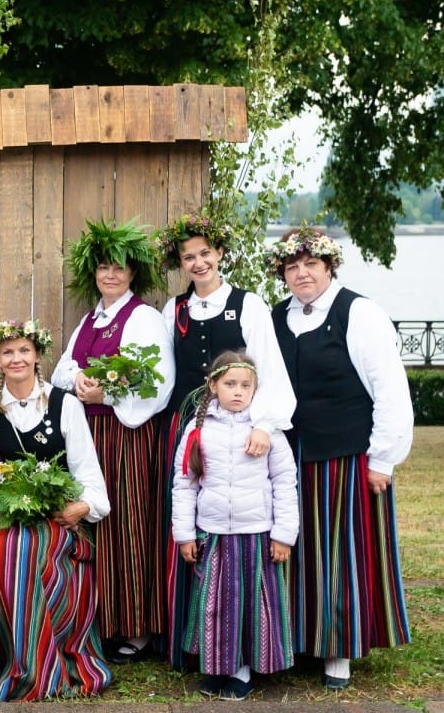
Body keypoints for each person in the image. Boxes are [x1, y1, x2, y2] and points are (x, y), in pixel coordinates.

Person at [268, 226, 413, 690]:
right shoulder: (275, 318)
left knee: (339, 551)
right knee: (294, 548)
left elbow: (390, 389)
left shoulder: (359, 313)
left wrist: (383, 458)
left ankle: (339, 650)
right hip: (290, 454)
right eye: (293, 267)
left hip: (345, 455)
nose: (302, 273)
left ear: (329, 266)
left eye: (311, 264)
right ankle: (300, 639)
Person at [154, 212, 295, 667]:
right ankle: (189, 639)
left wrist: (265, 425)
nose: (198, 263)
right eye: (188, 257)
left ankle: (239, 643)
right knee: (189, 520)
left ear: (219, 254)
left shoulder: (247, 304)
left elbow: (269, 369)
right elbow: (162, 374)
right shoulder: (172, 310)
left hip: (242, 429)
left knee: (233, 533)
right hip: (189, 427)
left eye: (205, 254)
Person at [51, 220, 174, 663]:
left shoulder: (143, 317)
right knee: (95, 524)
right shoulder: (90, 319)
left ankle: (137, 627)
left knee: (128, 522)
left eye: (118, 268)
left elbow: (158, 383)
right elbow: (61, 370)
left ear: (131, 274)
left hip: (128, 436)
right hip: (90, 434)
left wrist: (109, 393)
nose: (110, 275)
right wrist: (80, 378)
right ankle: (100, 620)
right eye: (103, 267)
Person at [0, 320, 112, 699]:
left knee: (33, 550)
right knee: (11, 548)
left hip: (57, 515)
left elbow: (86, 468)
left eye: (24, 350)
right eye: (8, 352)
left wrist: (82, 507)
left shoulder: (64, 404)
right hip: (6, 515)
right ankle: (20, 661)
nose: (17, 358)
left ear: (38, 356)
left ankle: (46, 659)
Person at [172, 351, 298, 700]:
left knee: (249, 605)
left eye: (246, 385)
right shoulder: (197, 430)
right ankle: (216, 667)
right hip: (212, 534)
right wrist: (184, 534)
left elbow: (286, 481)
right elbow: (185, 484)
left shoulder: (266, 431)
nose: (238, 392)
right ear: (213, 386)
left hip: (255, 533)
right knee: (214, 604)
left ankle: (242, 670)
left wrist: (283, 534)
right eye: (230, 384)